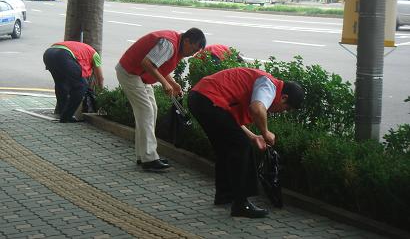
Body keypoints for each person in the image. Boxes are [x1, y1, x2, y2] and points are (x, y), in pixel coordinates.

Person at [187, 67, 304, 218]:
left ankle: (225, 195)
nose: (283, 112)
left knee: (226, 148)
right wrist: (265, 132)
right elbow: (257, 108)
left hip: (199, 98)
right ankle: (241, 204)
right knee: (242, 147)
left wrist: (254, 137)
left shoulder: (263, 83)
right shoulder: (269, 86)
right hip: (209, 100)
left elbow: (231, 120)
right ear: (284, 98)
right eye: (286, 108)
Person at [116, 28, 206, 172]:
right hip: (130, 72)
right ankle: (149, 158)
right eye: (193, 50)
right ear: (187, 40)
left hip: (139, 76)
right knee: (146, 111)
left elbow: (158, 66)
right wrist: (165, 83)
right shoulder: (169, 44)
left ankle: (143, 155)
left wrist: (173, 83)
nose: (191, 54)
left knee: (150, 110)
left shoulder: (176, 44)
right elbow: (147, 63)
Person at [43, 41, 104, 123]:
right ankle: (67, 116)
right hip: (63, 55)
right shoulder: (95, 55)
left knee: (61, 83)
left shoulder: (83, 50)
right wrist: (101, 93)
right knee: (82, 86)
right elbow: (100, 78)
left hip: (49, 53)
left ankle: (62, 113)